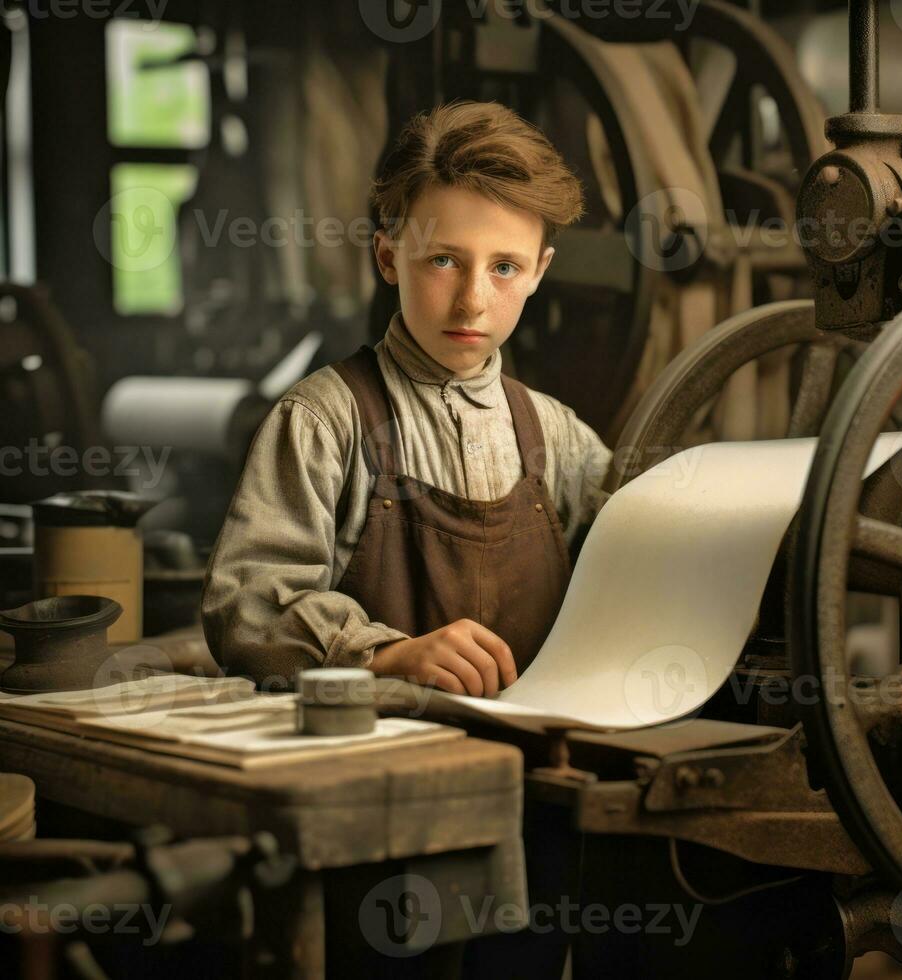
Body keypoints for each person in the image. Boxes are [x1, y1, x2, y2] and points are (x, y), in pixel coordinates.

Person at [202, 100, 611, 696]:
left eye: (503, 267)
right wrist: (385, 655)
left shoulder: (557, 433)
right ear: (389, 258)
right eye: (443, 260)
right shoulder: (323, 420)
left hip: (536, 757)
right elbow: (247, 604)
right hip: (378, 759)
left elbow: (638, 559)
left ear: (538, 272)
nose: (472, 300)